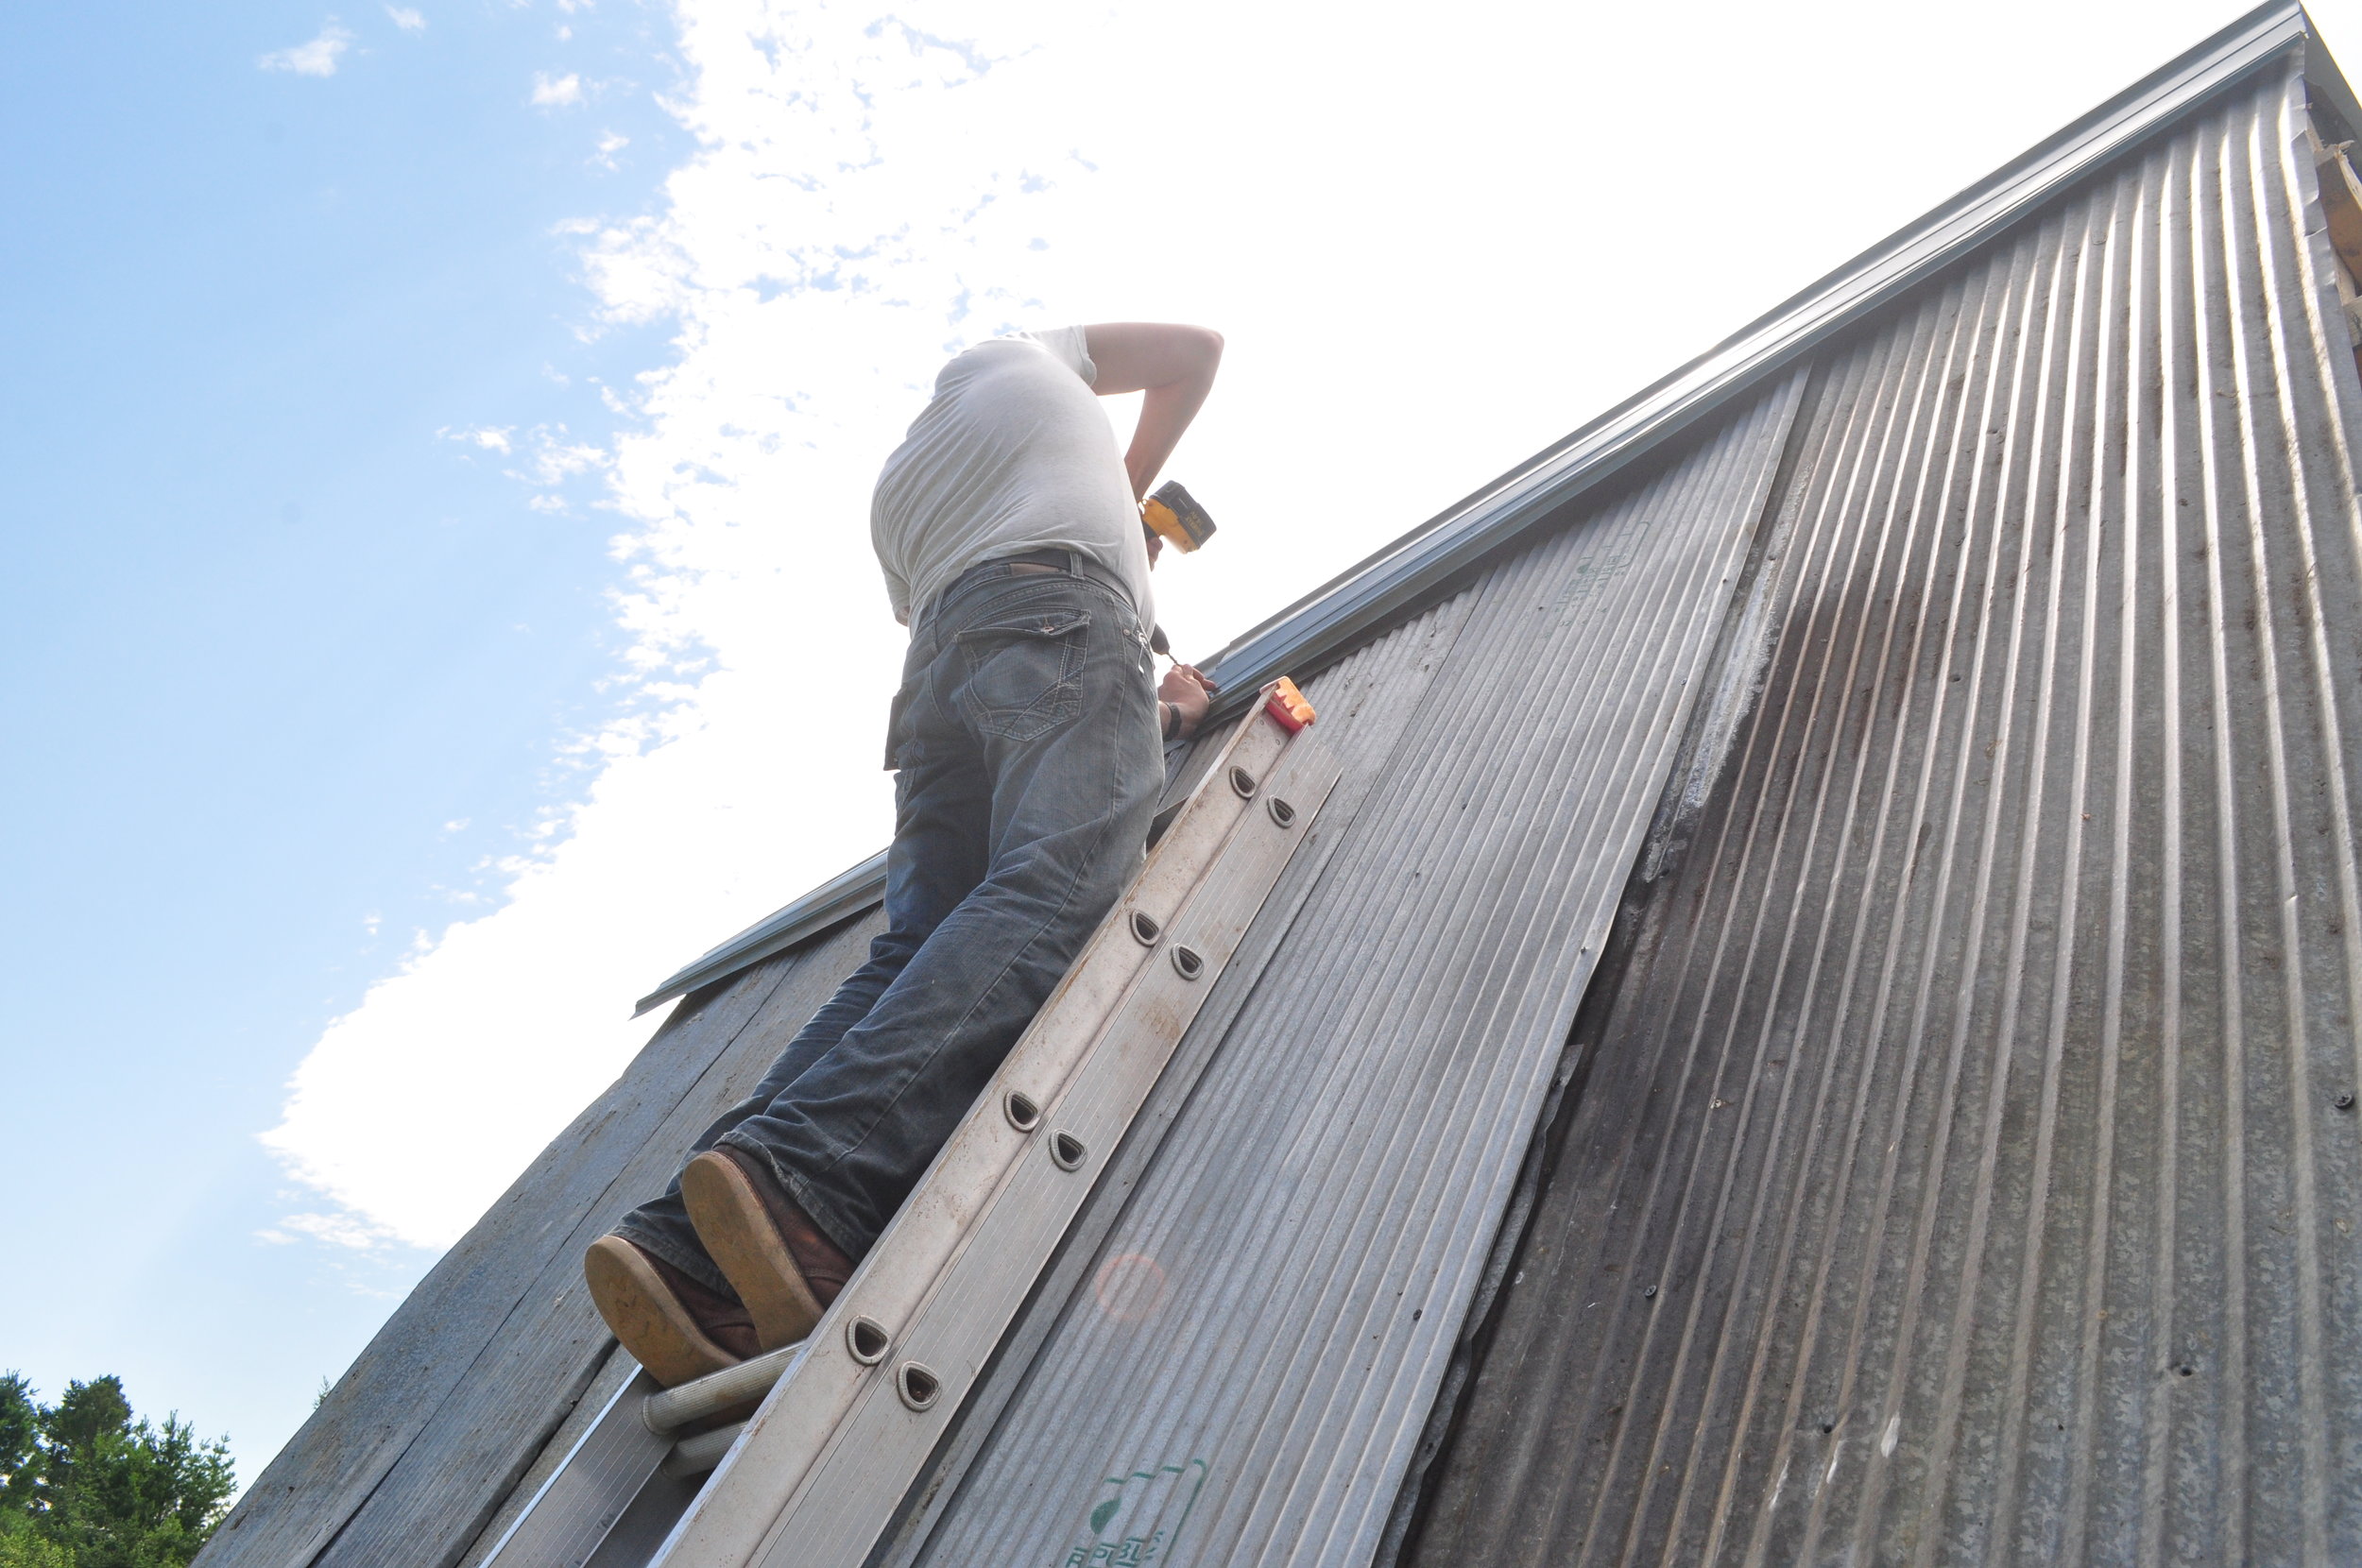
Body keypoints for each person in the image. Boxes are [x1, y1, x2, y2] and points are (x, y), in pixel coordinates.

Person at [583, 322, 1225, 1385]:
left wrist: (1142, 696)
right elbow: (1195, 353)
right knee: (1061, 882)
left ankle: (689, 1245)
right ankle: (809, 1183)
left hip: (937, 665)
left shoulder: (901, 496)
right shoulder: (1043, 350)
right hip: (1059, 611)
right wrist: (1124, 496)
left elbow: (992, 660)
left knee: (915, 944)